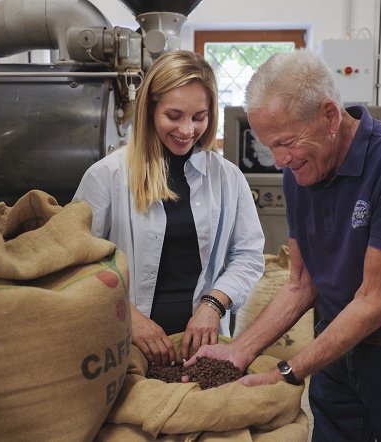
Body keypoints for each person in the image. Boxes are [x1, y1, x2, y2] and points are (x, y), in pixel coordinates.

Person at [186, 48, 381, 441]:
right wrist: (241, 350)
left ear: (330, 116)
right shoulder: (300, 170)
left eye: (285, 143)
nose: (279, 161)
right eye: (270, 147)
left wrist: (289, 370)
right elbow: (301, 283)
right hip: (337, 349)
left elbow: (374, 300)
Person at [73, 50, 265, 368]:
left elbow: (248, 255)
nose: (187, 130)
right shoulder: (108, 176)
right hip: (124, 343)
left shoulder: (227, 177)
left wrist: (213, 305)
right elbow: (79, 260)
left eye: (199, 117)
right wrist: (130, 318)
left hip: (204, 345)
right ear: (150, 110)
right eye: (174, 116)